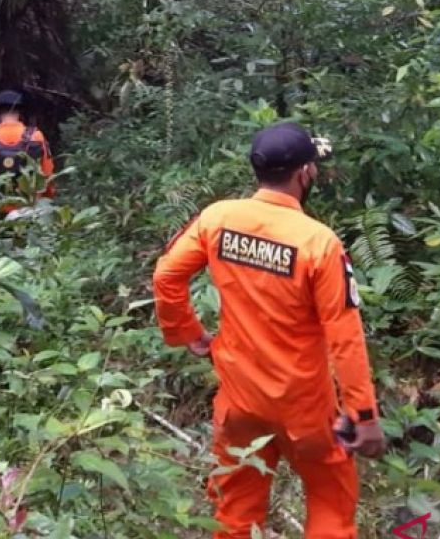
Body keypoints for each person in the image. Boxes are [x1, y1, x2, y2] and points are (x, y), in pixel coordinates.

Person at [152, 122, 385, 539]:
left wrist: (185, 331)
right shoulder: (319, 242)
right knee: (331, 506)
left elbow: (167, 275)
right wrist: (363, 415)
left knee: (234, 512)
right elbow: (344, 336)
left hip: (239, 401)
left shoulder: (218, 218)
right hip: (306, 409)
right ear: (304, 173)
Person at [0, 90, 55, 200]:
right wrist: (47, 199)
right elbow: (47, 174)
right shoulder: (36, 136)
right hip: (29, 207)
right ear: (19, 112)